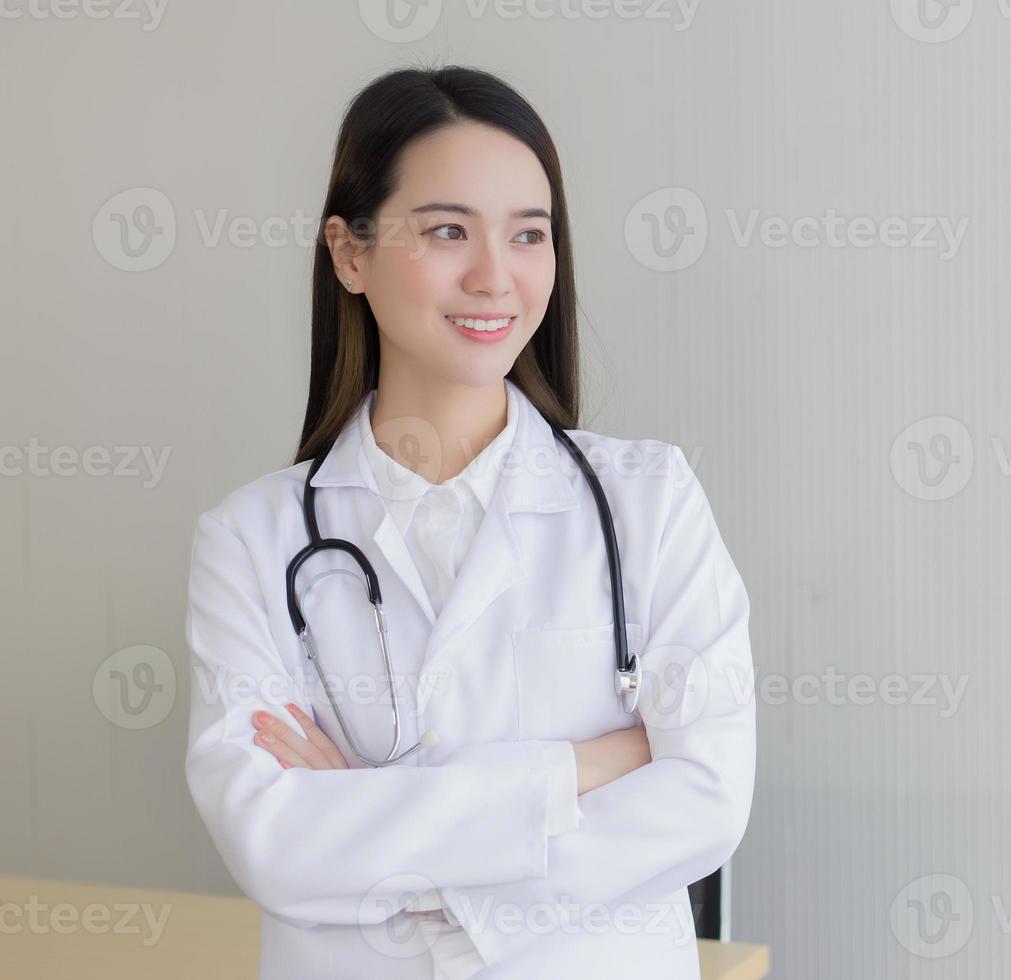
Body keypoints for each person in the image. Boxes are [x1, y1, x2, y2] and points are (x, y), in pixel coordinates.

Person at [182, 65, 757, 980]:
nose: (496, 276)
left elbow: (706, 796)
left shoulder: (650, 501)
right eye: (448, 230)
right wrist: (586, 766)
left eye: (529, 234)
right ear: (350, 254)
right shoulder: (251, 540)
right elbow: (273, 842)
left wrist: (383, 825)